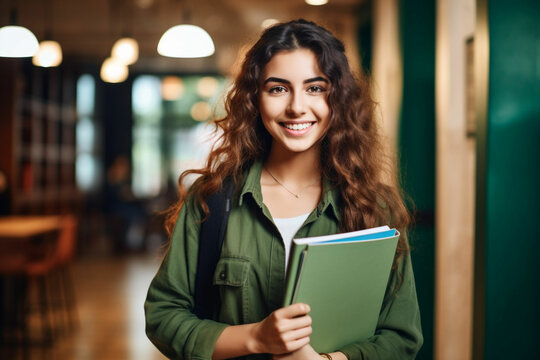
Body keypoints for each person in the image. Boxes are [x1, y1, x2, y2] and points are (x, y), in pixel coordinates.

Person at [145, 19, 423, 360]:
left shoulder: (375, 207)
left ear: (339, 98)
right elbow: (163, 316)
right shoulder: (212, 200)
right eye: (278, 88)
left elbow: (401, 337)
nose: (296, 107)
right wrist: (255, 338)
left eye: (315, 88)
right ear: (254, 99)